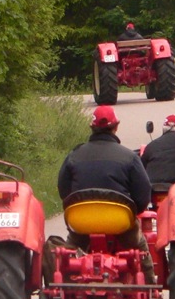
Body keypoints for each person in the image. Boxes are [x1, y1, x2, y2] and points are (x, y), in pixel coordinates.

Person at [57, 104, 156, 283]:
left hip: (81, 223)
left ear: (92, 128)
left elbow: (64, 191)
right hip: (120, 223)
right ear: (115, 127)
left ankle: (63, 285)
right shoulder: (130, 157)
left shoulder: (74, 155)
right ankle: (151, 288)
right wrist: (133, 211)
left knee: (67, 253)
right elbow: (143, 195)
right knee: (140, 248)